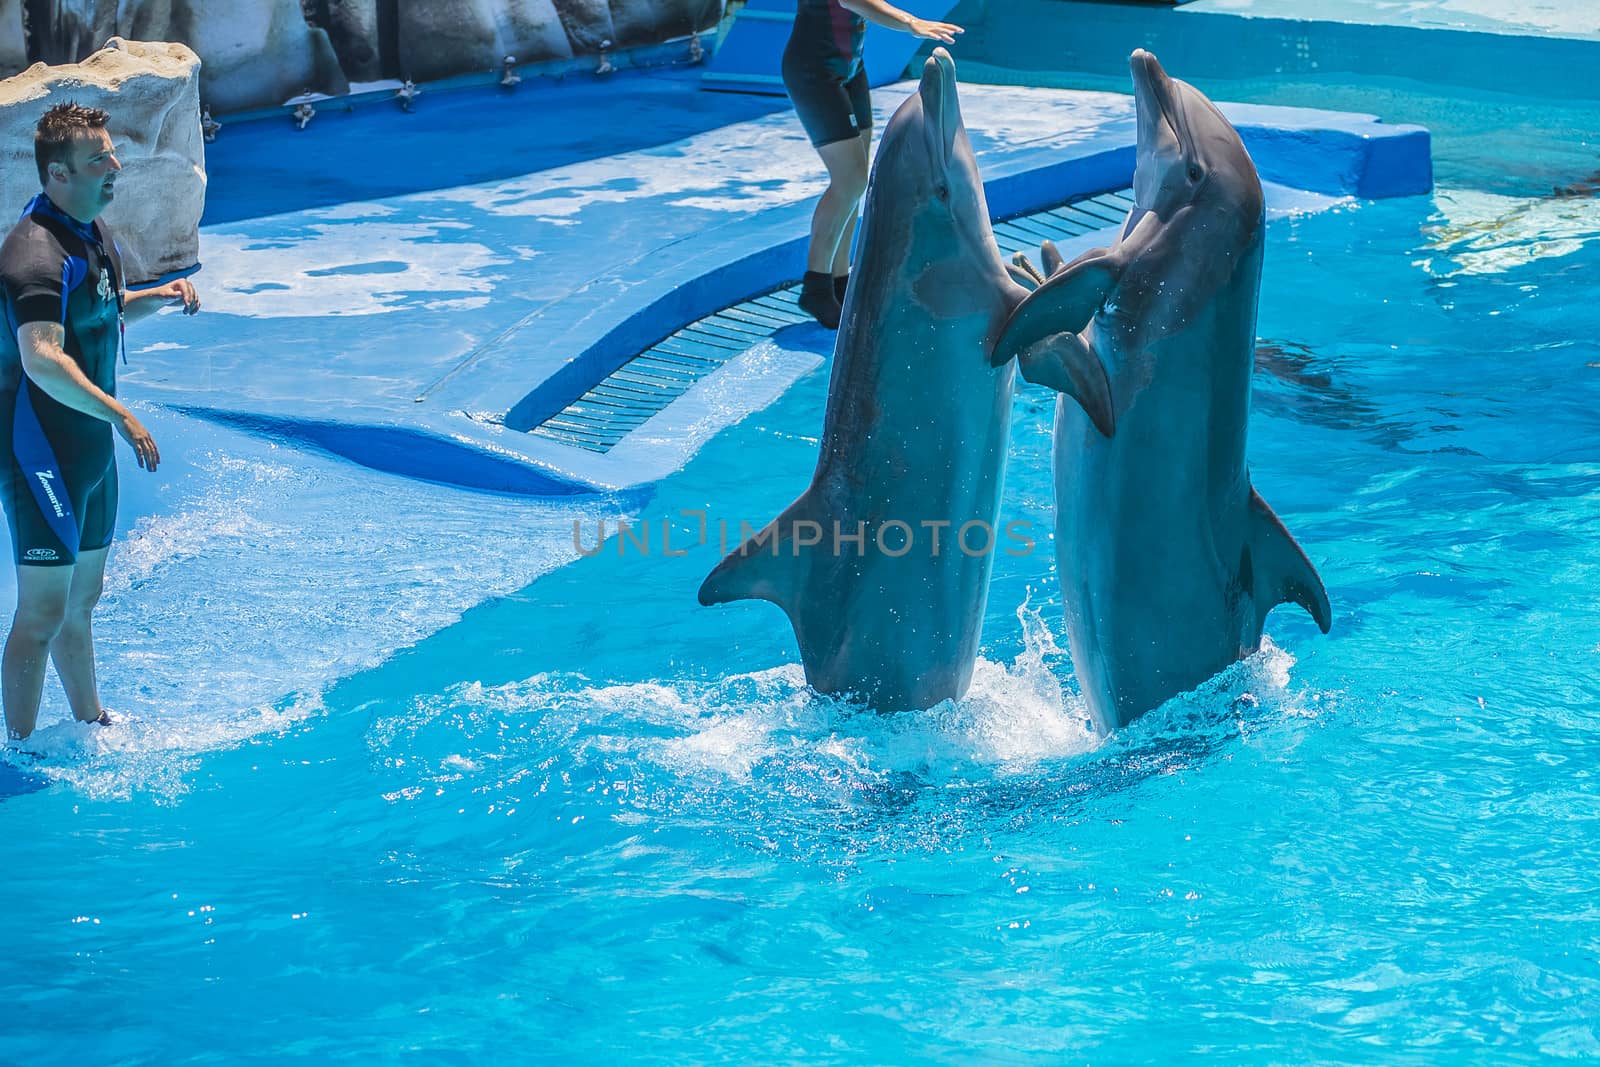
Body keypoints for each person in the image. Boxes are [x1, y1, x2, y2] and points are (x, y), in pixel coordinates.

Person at [0, 103, 200, 741]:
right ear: (58, 173)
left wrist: (158, 297)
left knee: (81, 603)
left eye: (112, 153)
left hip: (86, 449)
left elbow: (99, 313)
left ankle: (90, 721)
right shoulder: (34, 254)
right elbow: (42, 360)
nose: (116, 166)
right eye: (99, 160)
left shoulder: (91, 230)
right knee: (40, 615)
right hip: (42, 453)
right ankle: (20, 752)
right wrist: (122, 415)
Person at [782, 0, 962, 329]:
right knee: (848, 181)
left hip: (849, 67)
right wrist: (910, 23)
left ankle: (839, 280)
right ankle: (816, 285)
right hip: (815, 70)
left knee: (856, 181)